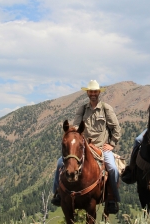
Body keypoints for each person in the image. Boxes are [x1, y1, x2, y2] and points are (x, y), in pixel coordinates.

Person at [51, 80, 122, 214]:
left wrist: (112, 144)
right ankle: (57, 194)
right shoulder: (82, 109)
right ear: (88, 93)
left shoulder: (106, 109)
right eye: (91, 91)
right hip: (84, 146)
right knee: (60, 163)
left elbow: (116, 128)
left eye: (95, 91)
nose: (93, 94)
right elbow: (77, 126)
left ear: (98, 93)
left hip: (101, 147)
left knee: (112, 168)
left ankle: (112, 199)